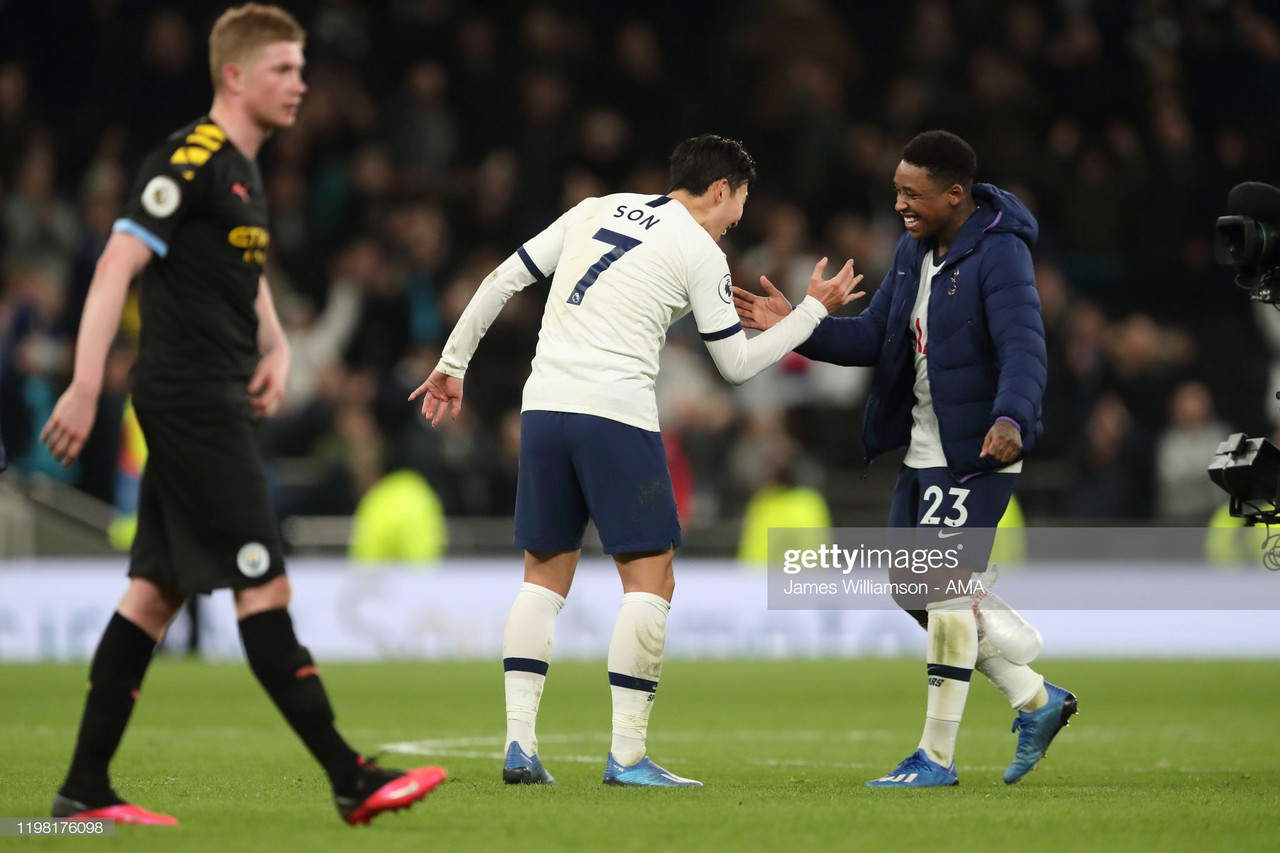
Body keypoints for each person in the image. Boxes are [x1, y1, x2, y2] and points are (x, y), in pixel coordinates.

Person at [40, 4, 445, 826]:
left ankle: (83, 788)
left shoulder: (244, 170)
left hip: (214, 389)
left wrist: (277, 346)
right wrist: (85, 387)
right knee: (265, 582)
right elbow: (117, 263)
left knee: (154, 593)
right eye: (284, 70)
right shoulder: (190, 158)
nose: (301, 84)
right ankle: (349, 774)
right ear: (235, 75)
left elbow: (241, 267)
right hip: (191, 397)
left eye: (301, 69)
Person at [411, 134, 863, 787]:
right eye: (740, 202)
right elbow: (736, 366)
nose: (739, 217)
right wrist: (812, 314)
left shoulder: (596, 207)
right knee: (652, 578)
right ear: (719, 190)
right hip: (614, 412)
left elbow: (502, 277)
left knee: (543, 576)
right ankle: (626, 754)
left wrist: (452, 364)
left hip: (542, 408)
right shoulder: (699, 250)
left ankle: (518, 744)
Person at [735, 130, 1076, 787]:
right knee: (910, 588)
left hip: (975, 450)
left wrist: (1012, 417)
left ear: (956, 194)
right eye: (896, 191)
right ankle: (1036, 697)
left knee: (943, 592)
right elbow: (873, 337)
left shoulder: (1000, 255)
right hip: (923, 452)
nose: (899, 205)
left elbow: (1025, 345)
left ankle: (936, 758)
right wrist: (797, 322)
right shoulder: (915, 251)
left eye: (912, 193)